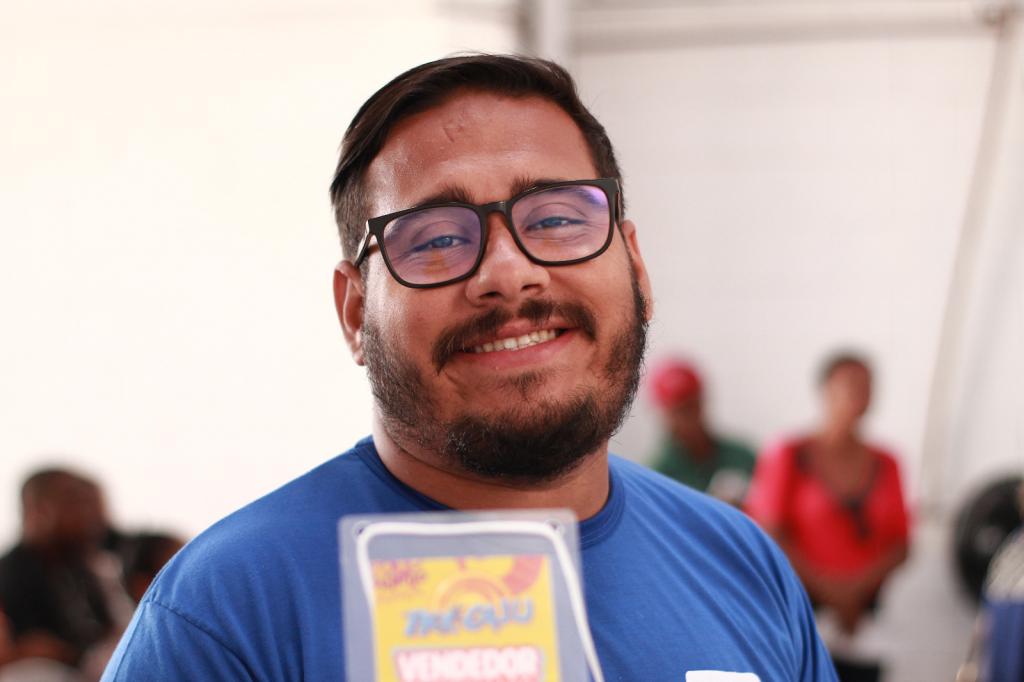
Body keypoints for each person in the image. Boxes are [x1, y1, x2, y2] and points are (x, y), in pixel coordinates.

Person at [102, 54, 836, 680]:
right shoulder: (227, 615)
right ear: (355, 312)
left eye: (556, 218)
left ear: (636, 266)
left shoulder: (743, 566)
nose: (509, 274)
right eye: (435, 239)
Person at [745, 352, 910, 682]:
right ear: (825, 389)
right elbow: (768, 529)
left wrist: (855, 592)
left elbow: (901, 543)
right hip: (796, 607)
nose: (859, 393)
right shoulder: (789, 453)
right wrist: (828, 590)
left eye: (867, 385)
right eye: (850, 384)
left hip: (861, 617)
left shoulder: (887, 462)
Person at [0, 469, 116, 672]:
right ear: (37, 510)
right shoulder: (10, 575)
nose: (89, 516)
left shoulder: (84, 567)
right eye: (74, 503)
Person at [648, 357, 756, 504]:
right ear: (664, 414)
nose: (686, 418)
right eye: (678, 411)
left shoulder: (741, 457)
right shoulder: (657, 475)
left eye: (691, 406)